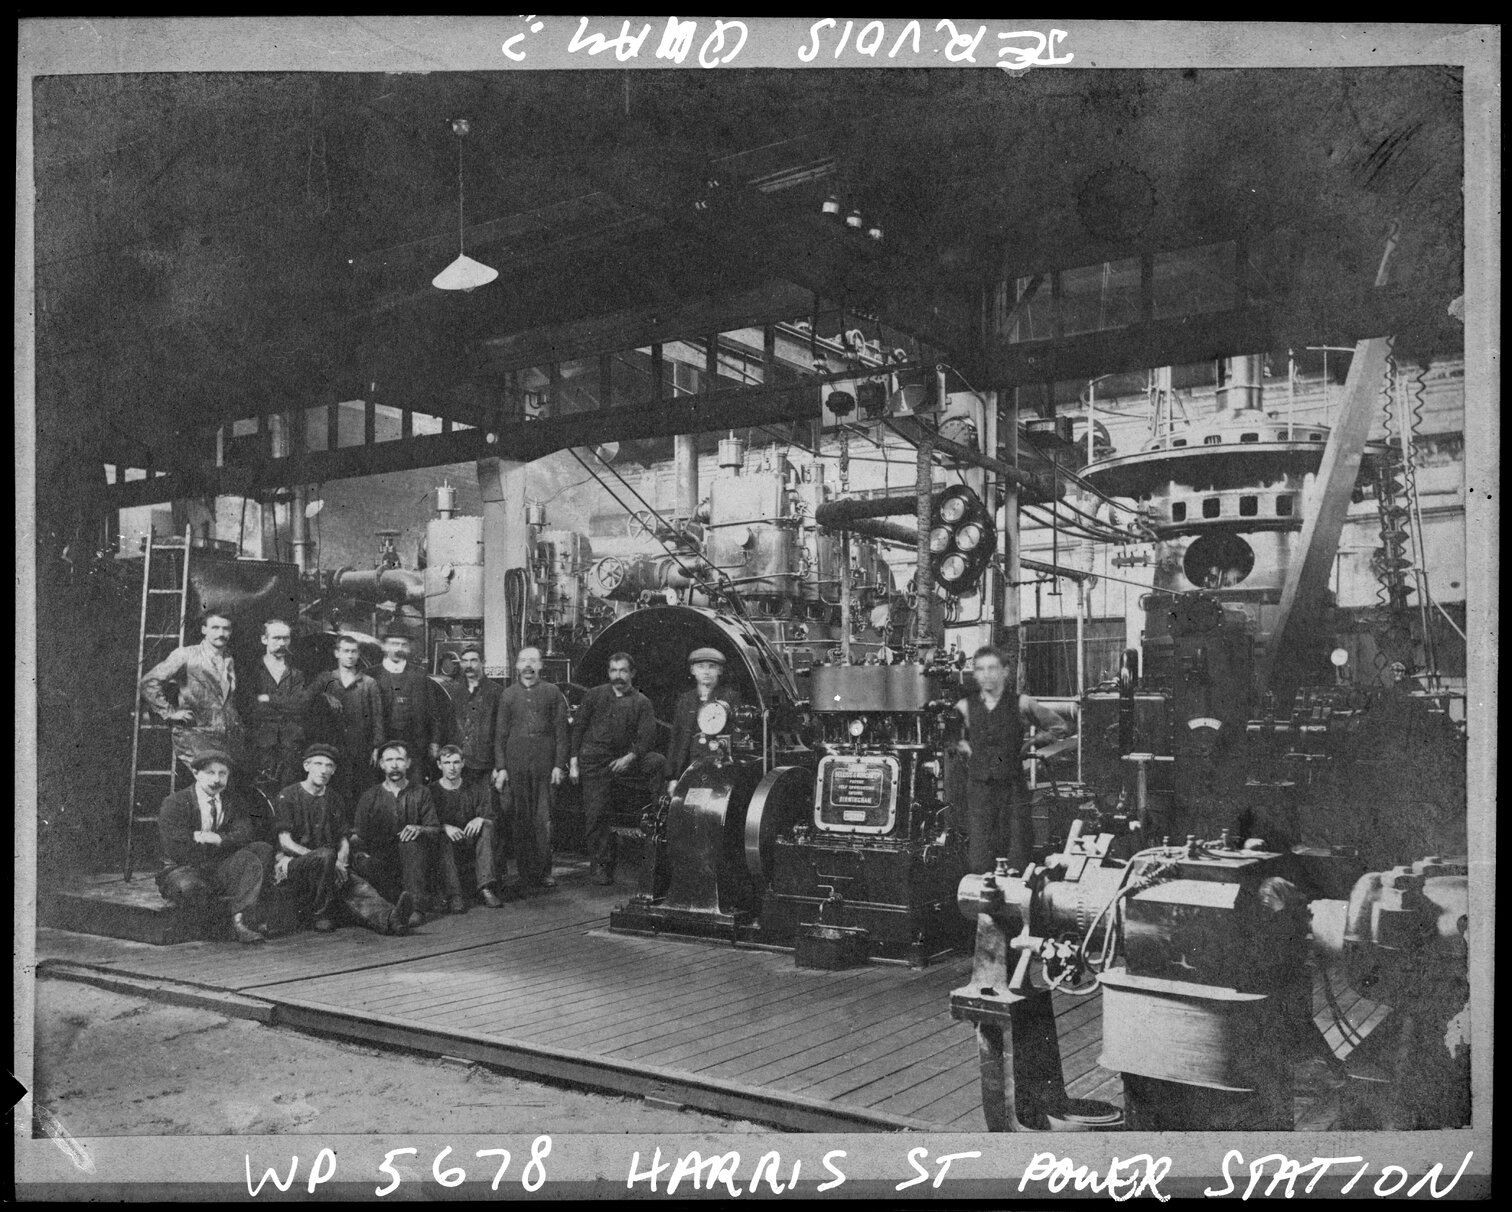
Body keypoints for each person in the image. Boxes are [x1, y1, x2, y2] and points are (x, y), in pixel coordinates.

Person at [271, 743, 414, 935]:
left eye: (329, 766)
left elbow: (343, 837)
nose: (323, 770)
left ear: (334, 770)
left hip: (329, 863)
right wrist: (327, 859)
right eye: (318, 764)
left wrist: (341, 858)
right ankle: (319, 914)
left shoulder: (334, 799)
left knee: (357, 886)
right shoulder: (287, 795)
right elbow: (285, 842)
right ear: (306, 766)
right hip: (296, 863)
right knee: (326, 856)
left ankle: (391, 919)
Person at [953, 645, 1071, 874]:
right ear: (975, 674)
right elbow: (951, 737)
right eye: (980, 669)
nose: (986, 674)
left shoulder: (1022, 703)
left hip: (1013, 790)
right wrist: (965, 749)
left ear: (1005, 672)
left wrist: (1031, 743)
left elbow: (1060, 727)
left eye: (992, 668)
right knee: (980, 859)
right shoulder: (964, 707)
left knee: (1017, 856)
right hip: (979, 791)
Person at [155, 749, 272, 944]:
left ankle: (240, 919)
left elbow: (245, 834)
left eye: (222, 773)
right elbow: (179, 848)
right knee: (190, 887)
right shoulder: (175, 803)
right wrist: (226, 842)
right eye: (210, 773)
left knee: (261, 850)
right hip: (182, 868)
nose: (217, 779)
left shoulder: (233, 802)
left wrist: (215, 838)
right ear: (196, 774)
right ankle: (231, 919)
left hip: (218, 866)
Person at [570, 652, 664, 886]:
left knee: (657, 761)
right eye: (613, 670)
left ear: (632, 673)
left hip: (625, 760)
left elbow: (647, 737)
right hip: (595, 761)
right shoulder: (594, 696)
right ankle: (601, 864)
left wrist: (630, 758)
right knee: (596, 813)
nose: (618, 676)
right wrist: (573, 761)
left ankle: (659, 821)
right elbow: (578, 728)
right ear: (608, 673)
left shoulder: (642, 702)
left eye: (623, 671)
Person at [494, 646, 569, 892]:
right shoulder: (508, 695)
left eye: (533, 661)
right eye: (523, 661)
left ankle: (544, 871)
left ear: (541, 666)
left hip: (545, 766)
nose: (528, 665)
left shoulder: (552, 692)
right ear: (516, 666)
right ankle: (526, 872)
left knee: (544, 820)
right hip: (516, 767)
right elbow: (500, 735)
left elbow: (561, 733)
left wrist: (559, 765)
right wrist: (502, 767)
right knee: (520, 820)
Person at [139, 610, 244, 772]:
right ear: (204, 630)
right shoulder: (186, 654)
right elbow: (149, 682)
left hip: (226, 737)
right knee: (208, 782)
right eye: (215, 628)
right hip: (195, 735)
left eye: (226, 628)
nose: (221, 633)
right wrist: (169, 713)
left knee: (223, 787)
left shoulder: (230, 659)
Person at [350, 741, 437, 927]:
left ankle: (416, 908)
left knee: (411, 842)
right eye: (389, 760)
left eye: (399, 759)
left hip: (414, 861)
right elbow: (358, 835)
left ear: (408, 763)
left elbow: (435, 829)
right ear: (381, 764)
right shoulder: (370, 796)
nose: (395, 765)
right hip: (382, 860)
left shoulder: (421, 792)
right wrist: (360, 852)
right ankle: (393, 909)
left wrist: (419, 829)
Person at [310, 634, 386, 802]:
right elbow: (308, 700)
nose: (350, 656)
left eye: (354, 652)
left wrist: (376, 747)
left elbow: (377, 717)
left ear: (359, 654)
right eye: (345, 651)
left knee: (361, 788)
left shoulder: (368, 683)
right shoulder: (326, 679)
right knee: (334, 789)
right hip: (333, 747)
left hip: (361, 747)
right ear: (337, 653)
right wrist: (325, 696)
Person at [431, 745, 504, 909]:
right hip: (446, 848)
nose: (452, 768)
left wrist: (481, 819)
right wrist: (444, 827)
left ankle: (485, 888)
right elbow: (427, 824)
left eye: (456, 762)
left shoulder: (475, 788)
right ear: (439, 765)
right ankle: (454, 895)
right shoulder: (431, 791)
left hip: (471, 843)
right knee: (440, 835)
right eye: (447, 762)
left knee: (487, 826)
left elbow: (491, 816)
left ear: (463, 763)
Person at [242, 618, 312, 790]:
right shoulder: (251, 671)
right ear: (264, 639)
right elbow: (250, 708)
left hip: (290, 745)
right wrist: (285, 705)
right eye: (276, 638)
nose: (282, 643)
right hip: (261, 744)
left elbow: (300, 706)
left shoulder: (297, 674)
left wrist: (268, 699)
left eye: (286, 638)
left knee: (289, 791)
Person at [665, 646, 744, 794]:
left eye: (712, 667)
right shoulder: (685, 700)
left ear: (720, 670)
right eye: (700, 667)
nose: (706, 672)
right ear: (692, 670)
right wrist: (673, 778)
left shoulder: (731, 698)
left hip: (718, 769)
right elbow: (676, 739)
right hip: (688, 766)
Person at [373, 630, 441, 774]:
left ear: (409, 648)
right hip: (382, 746)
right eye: (394, 644)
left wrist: (434, 741)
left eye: (403, 645)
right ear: (384, 646)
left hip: (415, 746)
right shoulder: (372, 675)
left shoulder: (420, 675)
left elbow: (433, 712)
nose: (399, 648)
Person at [442, 645, 502, 791]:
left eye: (473, 660)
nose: (469, 665)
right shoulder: (454, 692)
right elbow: (449, 727)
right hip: (461, 763)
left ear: (483, 662)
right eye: (465, 661)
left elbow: (502, 732)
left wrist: (499, 767)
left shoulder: (496, 692)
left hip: (486, 764)